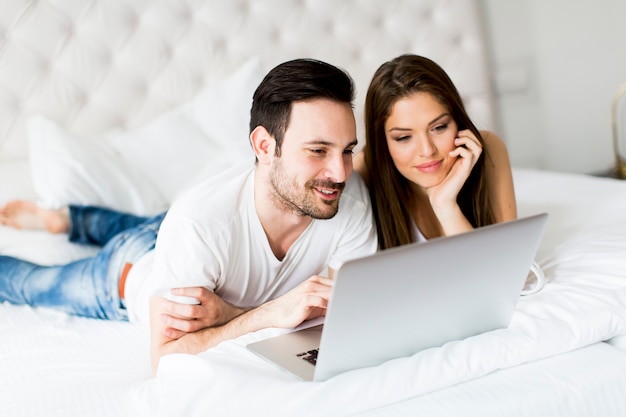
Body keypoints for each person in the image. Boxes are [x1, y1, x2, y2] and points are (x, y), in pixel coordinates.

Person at [0, 58, 378, 372]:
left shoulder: (349, 199)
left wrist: (230, 313)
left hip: (174, 232)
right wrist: (266, 314)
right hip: (129, 268)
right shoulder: (199, 223)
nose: (340, 172)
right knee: (35, 284)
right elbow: (164, 357)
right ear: (265, 145)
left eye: (347, 150)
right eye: (317, 151)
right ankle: (69, 221)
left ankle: (69, 220)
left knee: (152, 222)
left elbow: (355, 314)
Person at [354, 54, 516, 249]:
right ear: (382, 142)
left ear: (457, 121)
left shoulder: (489, 149)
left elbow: (506, 268)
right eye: (404, 137)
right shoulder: (361, 173)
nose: (427, 150)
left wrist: (445, 206)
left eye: (439, 128)